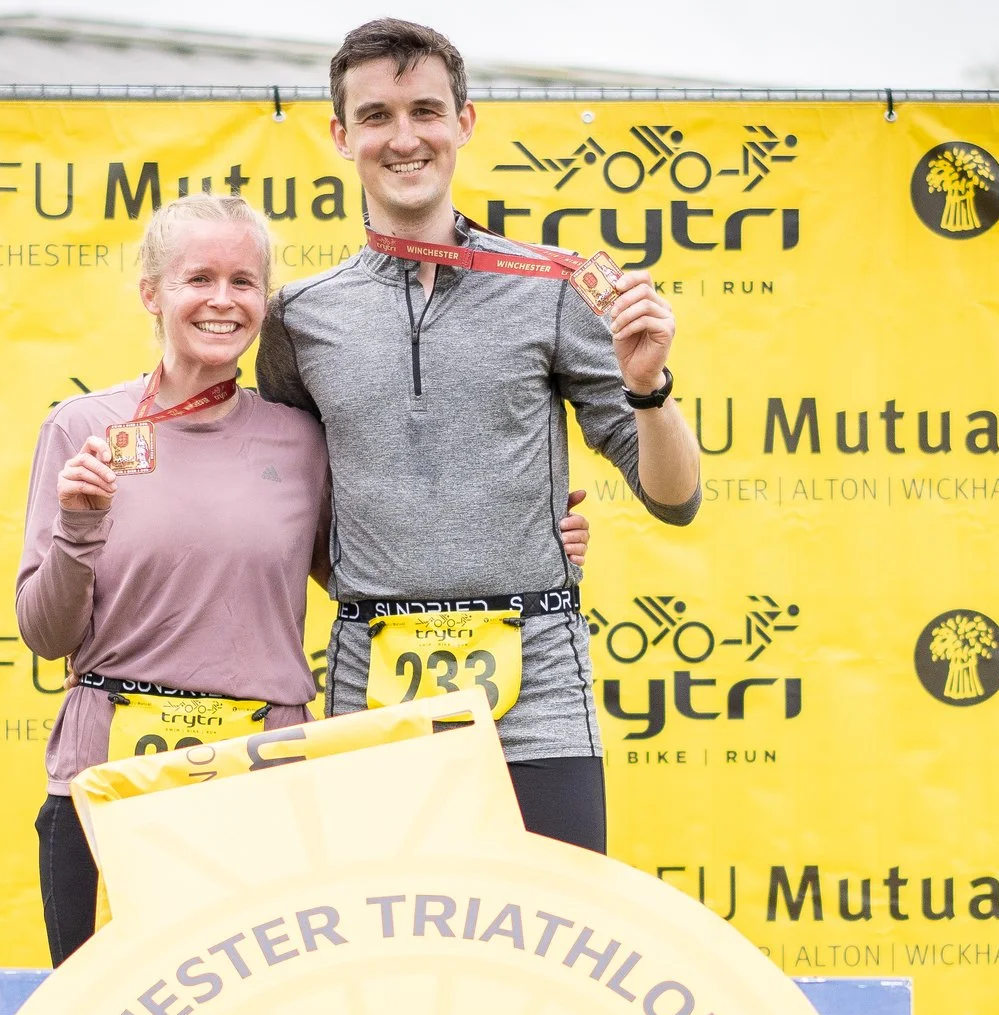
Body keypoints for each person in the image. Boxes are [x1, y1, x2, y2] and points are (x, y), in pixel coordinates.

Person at [17, 193, 592, 965]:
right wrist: (79, 525)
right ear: (152, 293)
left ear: (265, 299)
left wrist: (524, 544)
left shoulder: (298, 438)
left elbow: (367, 568)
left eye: (244, 282)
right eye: (198, 279)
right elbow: (44, 633)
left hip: (264, 776)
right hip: (106, 780)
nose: (223, 301)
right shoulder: (82, 428)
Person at [256, 17, 704, 855]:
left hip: (537, 695)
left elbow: (674, 498)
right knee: (383, 947)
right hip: (372, 686)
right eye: (378, 115)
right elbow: (290, 509)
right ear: (340, 135)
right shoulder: (298, 318)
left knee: (552, 949)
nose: (404, 137)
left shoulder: (554, 290)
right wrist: (382, 566)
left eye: (426, 110)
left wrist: (650, 387)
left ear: (464, 123)